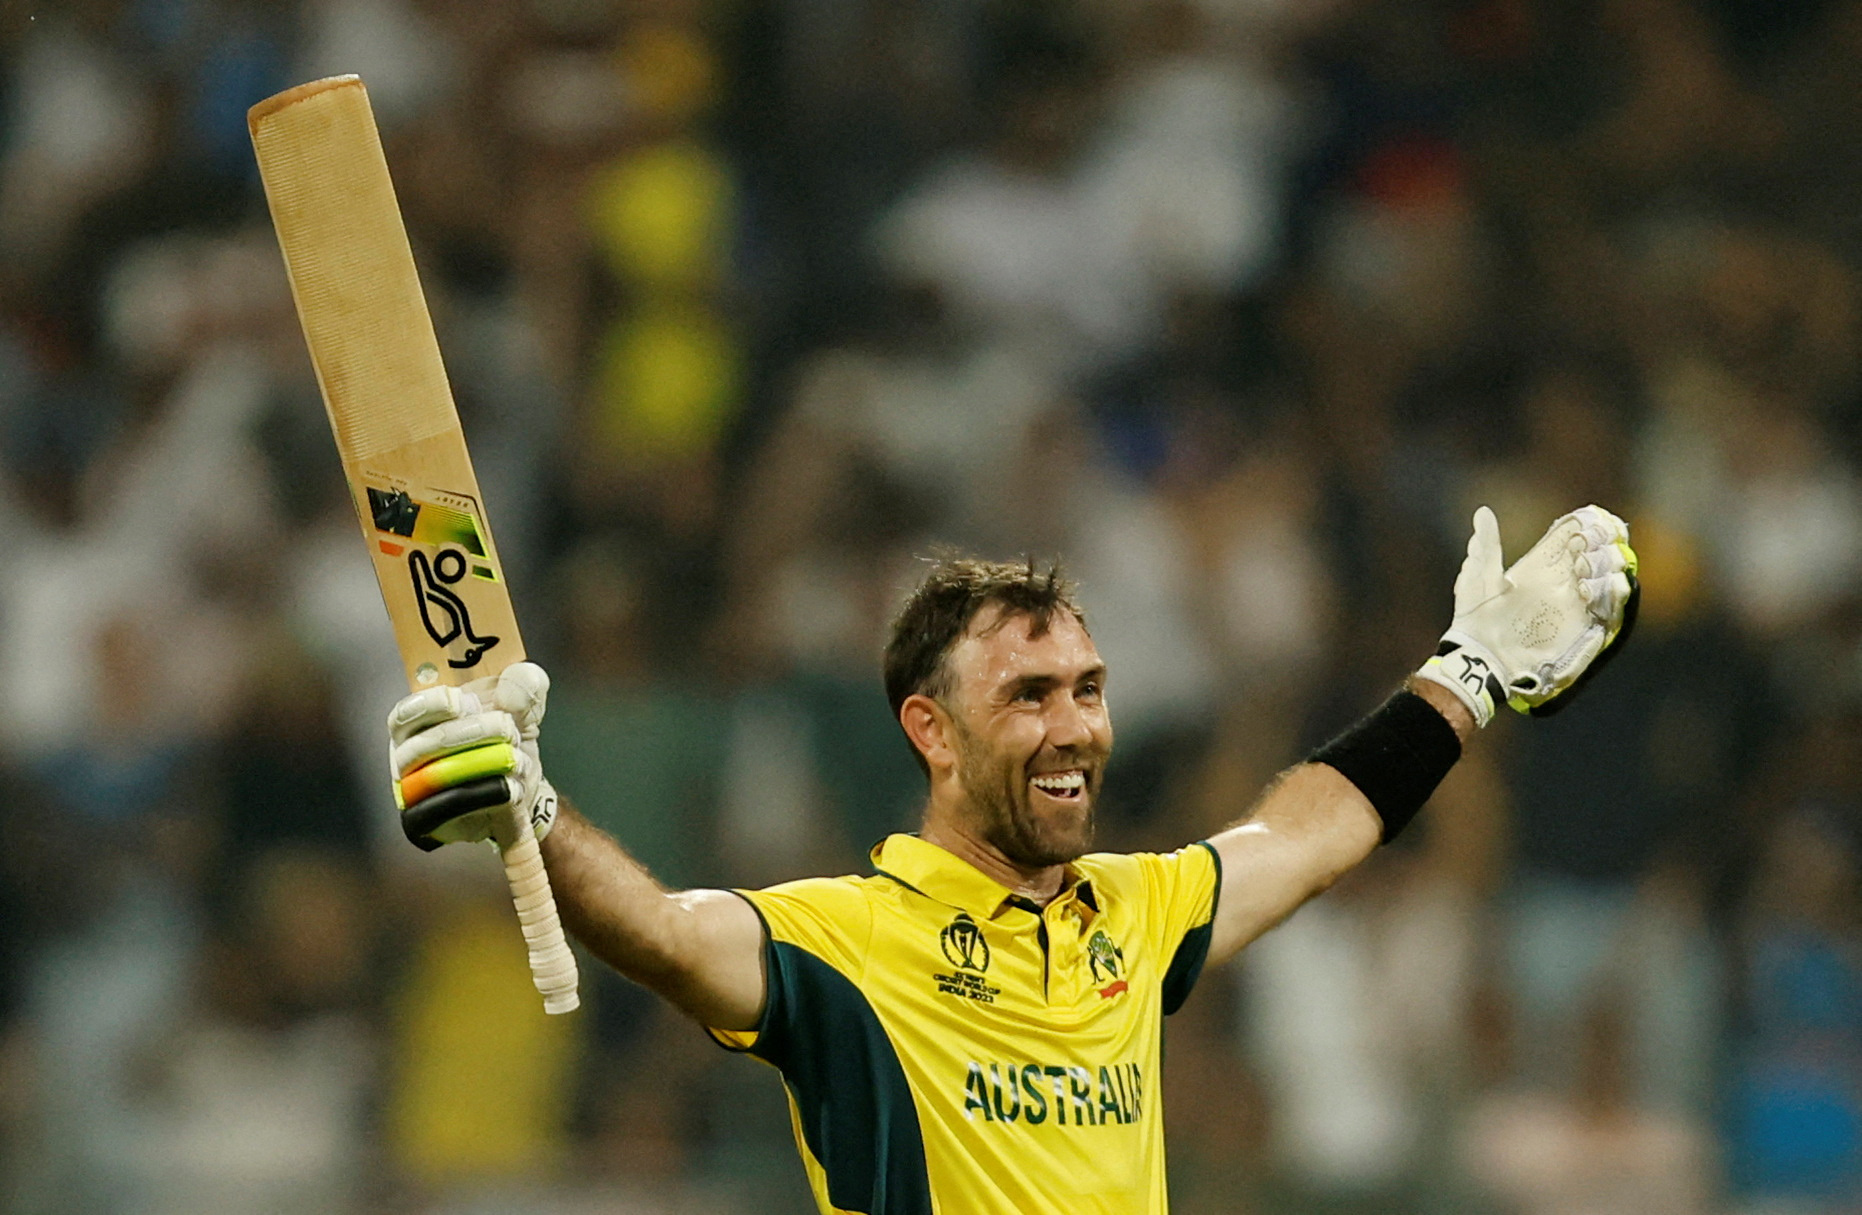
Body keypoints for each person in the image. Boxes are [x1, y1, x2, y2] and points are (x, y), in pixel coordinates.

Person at [386, 505, 1637, 1215]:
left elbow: (1311, 829)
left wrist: (1467, 676)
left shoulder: (1139, 913)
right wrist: (533, 812)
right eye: (1028, 694)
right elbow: (659, 931)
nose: (1075, 726)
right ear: (930, 730)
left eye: (1087, 689)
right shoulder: (847, 941)